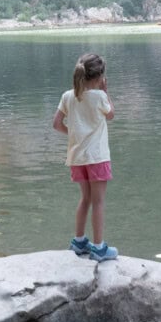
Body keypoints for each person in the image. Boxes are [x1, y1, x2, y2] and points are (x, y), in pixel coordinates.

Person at [52, 52, 117, 262]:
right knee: (98, 202)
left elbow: (56, 124)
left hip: (77, 157)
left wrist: (73, 134)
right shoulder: (99, 96)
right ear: (100, 78)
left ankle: (79, 241)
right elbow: (111, 115)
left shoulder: (67, 96)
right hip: (97, 157)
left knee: (85, 199)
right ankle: (99, 248)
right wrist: (106, 93)